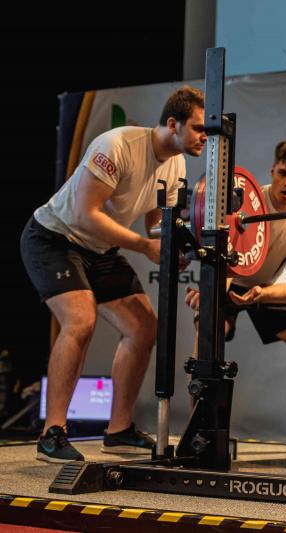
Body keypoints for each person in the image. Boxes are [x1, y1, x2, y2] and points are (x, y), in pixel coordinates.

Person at [20, 85, 207, 462]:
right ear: (173, 124)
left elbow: (155, 225)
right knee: (80, 321)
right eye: (199, 128)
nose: (205, 136)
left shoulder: (176, 163)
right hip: (54, 238)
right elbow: (87, 214)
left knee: (143, 328)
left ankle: (118, 430)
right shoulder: (117, 144)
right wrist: (145, 247)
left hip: (99, 249)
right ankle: (51, 434)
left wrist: (176, 245)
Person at [185, 139, 286, 452]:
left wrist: (263, 293)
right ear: (272, 171)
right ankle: (200, 431)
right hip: (229, 277)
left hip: (270, 285)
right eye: (283, 173)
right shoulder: (244, 203)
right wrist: (211, 298)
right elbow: (221, 258)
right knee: (206, 340)